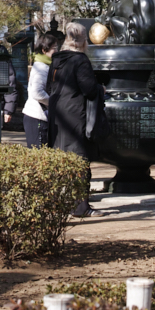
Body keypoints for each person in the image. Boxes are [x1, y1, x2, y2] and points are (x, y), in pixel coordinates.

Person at [47, 22, 105, 218]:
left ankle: (60, 204)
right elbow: (89, 89)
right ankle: (81, 207)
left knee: (60, 159)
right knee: (79, 160)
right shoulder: (80, 60)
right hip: (75, 114)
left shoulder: (56, 59)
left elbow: (49, 87)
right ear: (83, 41)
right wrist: (101, 89)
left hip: (57, 114)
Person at [23, 33, 60, 147]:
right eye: (54, 48)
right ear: (44, 50)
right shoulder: (42, 68)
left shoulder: (42, 65)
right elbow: (37, 93)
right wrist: (53, 103)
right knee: (38, 153)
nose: (57, 50)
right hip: (37, 117)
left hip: (36, 116)